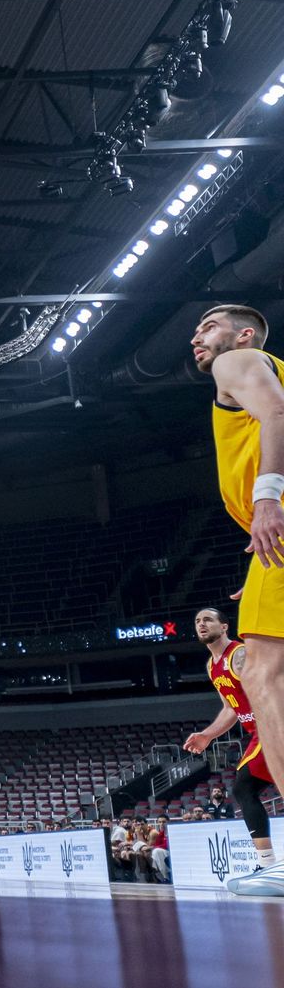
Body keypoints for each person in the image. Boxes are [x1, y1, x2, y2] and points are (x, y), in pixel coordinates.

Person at [193, 303, 284, 895]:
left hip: (279, 519)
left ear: (243, 333)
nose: (197, 339)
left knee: (266, 679)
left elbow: (276, 412)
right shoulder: (269, 366)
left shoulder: (240, 360)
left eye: (207, 327)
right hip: (267, 551)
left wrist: (268, 498)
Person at [184, 606, 275, 889]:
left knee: (244, 787)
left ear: (224, 627)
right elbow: (230, 708)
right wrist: (209, 735)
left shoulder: (240, 655)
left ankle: (269, 865)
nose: (202, 624)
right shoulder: (213, 666)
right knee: (245, 789)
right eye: (198, 621)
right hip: (258, 732)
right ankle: (268, 865)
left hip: (273, 726)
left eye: (208, 620)